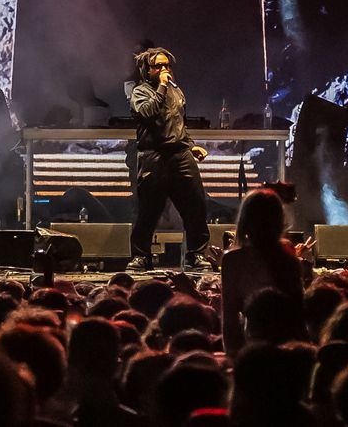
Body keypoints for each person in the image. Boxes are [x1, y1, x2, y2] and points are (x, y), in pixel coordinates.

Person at [128, 48, 210, 272]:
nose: (164, 70)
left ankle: (196, 254)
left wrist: (192, 146)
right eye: (158, 66)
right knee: (148, 211)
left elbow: (179, 124)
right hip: (154, 156)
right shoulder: (140, 91)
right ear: (147, 70)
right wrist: (162, 86)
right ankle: (141, 257)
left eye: (167, 65)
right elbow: (147, 113)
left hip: (180, 154)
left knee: (195, 206)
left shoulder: (177, 92)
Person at [221, 187, 304, 355]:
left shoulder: (233, 260)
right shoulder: (289, 261)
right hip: (287, 348)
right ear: (278, 222)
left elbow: (230, 318)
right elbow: (298, 317)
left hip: (251, 346)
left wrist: (234, 358)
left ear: (245, 221)